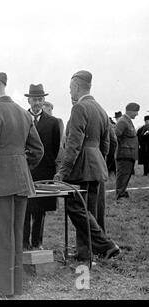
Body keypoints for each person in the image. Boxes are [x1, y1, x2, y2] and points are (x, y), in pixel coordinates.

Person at [0, 72, 44, 298]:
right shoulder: (23, 114)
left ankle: (3, 288)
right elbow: (38, 150)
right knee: (16, 236)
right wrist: (22, 167)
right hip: (21, 183)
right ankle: (15, 286)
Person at [54, 70, 120, 261]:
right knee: (91, 211)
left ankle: (105, 245)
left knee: (76, 208)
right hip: (97, 165)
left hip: (82, 167)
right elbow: (109, 143)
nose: (70, 93)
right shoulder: (100, 109)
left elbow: (74, 143)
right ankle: (86, 252)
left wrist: (63, 171)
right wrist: (101, 161)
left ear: (76, 86)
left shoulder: (79, 108)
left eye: (70, 89)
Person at [23, 84, 60, 250]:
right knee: (24, 208)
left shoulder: (53, 122)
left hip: (44, 172)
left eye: (40, 99)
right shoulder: (21, 118)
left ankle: (37, 243)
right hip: (25, 171)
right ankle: (23, 243)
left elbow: (54, 148)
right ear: (29, 100)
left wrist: (52, 173)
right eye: (34, 99)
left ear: (43, 100)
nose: (37, 103)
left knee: (40, 210)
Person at [115, 103, 140, 199]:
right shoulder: (123, 121)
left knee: (127, 175)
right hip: (124, 154)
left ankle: (123, 192)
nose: (137, 114)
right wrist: (123, 146)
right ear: (131, 111)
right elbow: (116, 135)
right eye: (136, 112)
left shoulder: (127, 121)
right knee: (122, 175)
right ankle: (120, 195)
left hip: (129, 154)